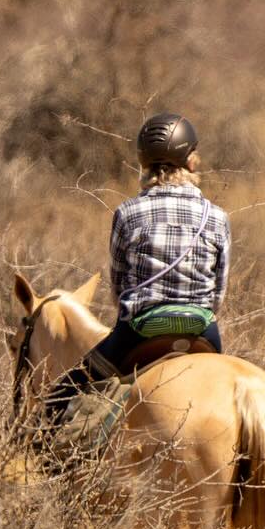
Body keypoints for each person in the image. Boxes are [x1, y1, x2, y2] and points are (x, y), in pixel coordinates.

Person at [45, 112, 231, 417]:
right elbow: (218, 295)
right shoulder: (217, 217)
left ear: (143, 163)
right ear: (192, 161)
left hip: (139, 334)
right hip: (203, 333)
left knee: (60, 399)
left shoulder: (127, 213)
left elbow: (119, 289)